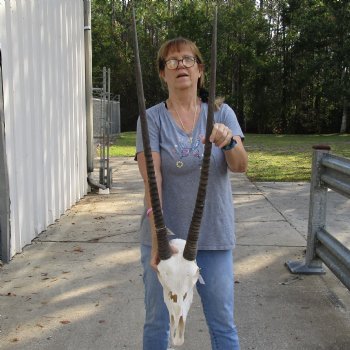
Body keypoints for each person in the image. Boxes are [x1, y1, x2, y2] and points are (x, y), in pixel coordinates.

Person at [136, 37, 248, 350]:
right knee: (158, 322)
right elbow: (152, 177)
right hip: (164, 239)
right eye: (172, 61)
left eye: (188, 60)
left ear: (199, 69)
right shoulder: (151, 119)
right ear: (163, 73)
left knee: (222, 322)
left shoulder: (222, 113)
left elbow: (240, 166)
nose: (181, 66)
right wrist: (159, 238)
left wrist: (228, 143)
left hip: (212, 236)